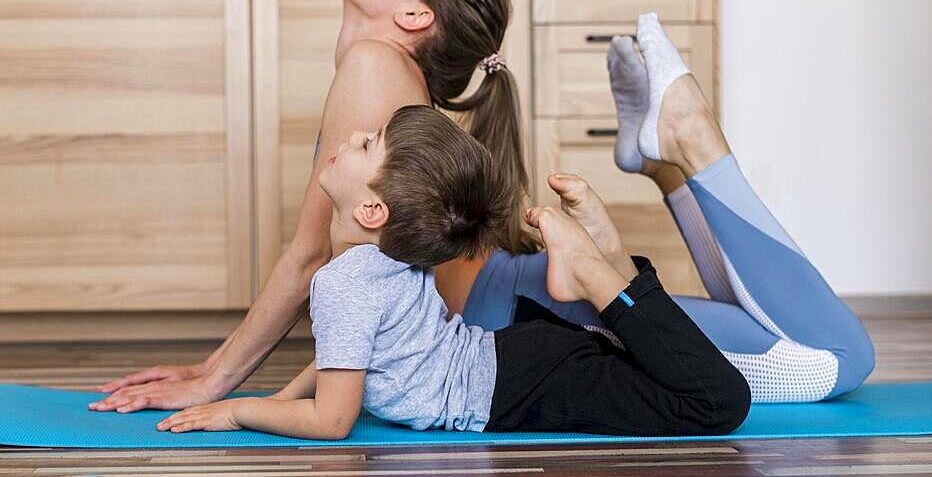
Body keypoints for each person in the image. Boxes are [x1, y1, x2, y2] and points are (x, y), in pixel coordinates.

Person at [90, 0, 540, 414]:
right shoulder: (386, 69)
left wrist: (212, 383)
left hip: (510, 321)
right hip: (499, 314)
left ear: (414, 14)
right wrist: (206, 370)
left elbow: (313, 256)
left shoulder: (375, 66)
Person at [153, 105, 750, 438]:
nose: (354, 134)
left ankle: (599, 270)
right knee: (688, 381)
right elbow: (350, 350)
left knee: (716, 401)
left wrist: (238, 411)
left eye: (368, 145)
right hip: (522, 363)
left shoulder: (348, 277)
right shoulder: (377, 267)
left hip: (516, 386)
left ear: (371, 211)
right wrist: (278, 399)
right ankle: (608, 262)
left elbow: (332, 421)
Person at [461, 14, 877, 402]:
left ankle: (683, 150)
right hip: (530, 307)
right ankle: (685, 151)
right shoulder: (404, 84)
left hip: (525, 304)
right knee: (834, 353)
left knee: (834, 352)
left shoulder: (401, 82)